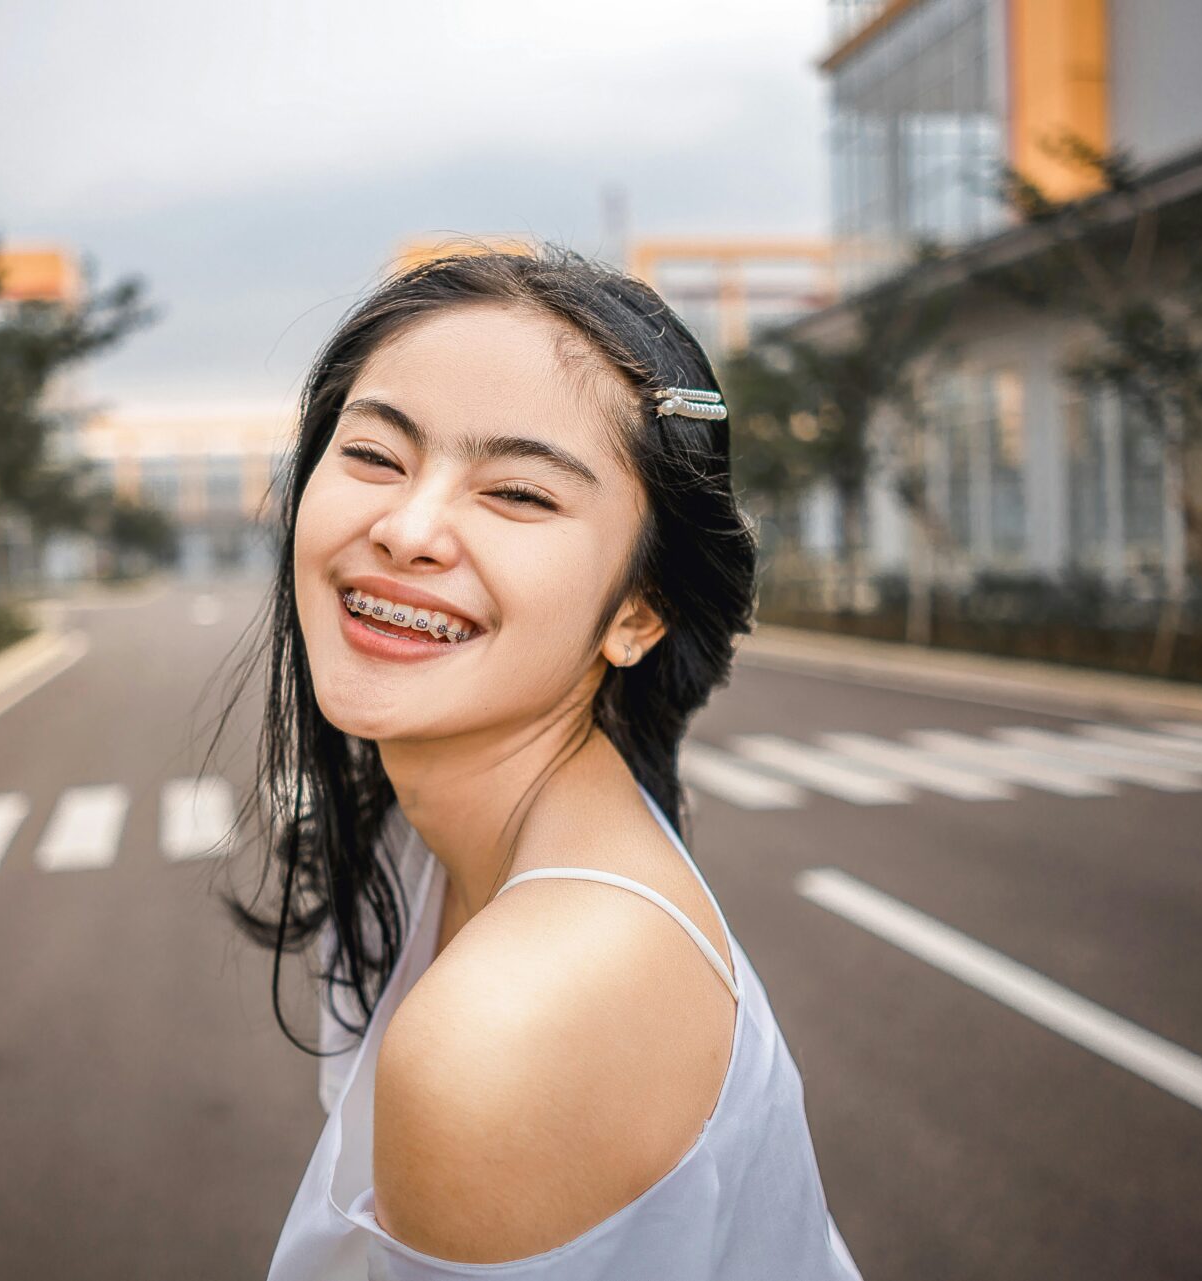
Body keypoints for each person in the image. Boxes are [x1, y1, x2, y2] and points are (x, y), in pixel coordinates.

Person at [217, 244, 862, 1278]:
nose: (409, 528)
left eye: (517, 494)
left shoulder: (509, 1025)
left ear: (640, 610)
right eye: (376, 456)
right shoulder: (419, 840)